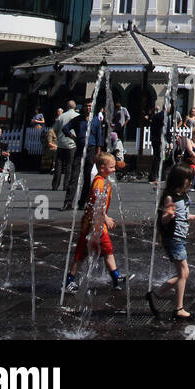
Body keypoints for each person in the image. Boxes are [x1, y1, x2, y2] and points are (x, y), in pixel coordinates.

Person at [147, 163, 195, 321]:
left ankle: (155, 294)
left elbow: (183, 215)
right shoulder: (170, 198)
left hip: (179, 238)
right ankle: (178, 308)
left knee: (183, 273)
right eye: (188, 180)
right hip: (173, 239)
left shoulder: (183, 196)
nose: (190, 183)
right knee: (183, 273)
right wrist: (168, 215)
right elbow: (164, 220)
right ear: (179, 180)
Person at [64, 153, 127, 293]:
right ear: (102, 168)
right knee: (86, 252)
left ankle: (115, 276)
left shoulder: (103, 179)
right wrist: (105, 218)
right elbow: (95, 203)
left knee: (102, 250)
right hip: (93, 224)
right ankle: (70, 280)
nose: (114, 169)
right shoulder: (99, 182)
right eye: (112, 167)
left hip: (95, 223)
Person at [53, 100, 79, 202]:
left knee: (58, 164)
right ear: (75, 106)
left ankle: (55, 184)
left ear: (67, 107)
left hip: (61, 143)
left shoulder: (61, 116)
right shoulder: (77, 116)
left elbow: (54, 129)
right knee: (69, 165)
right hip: (72, 143)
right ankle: (66, 185)